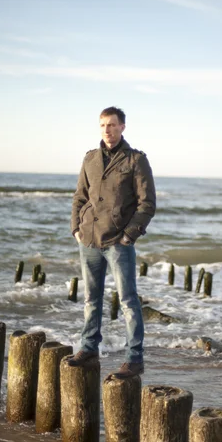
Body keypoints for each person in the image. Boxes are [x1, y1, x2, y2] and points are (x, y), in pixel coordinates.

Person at [68, 106, 156, 378]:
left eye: (113, 125)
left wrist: (129, 235)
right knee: (91, 299)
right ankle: (89, 347)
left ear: (122, 127)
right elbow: (80, 197)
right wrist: (76, 229)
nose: (108, 130)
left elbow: (147, 203)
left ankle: (134, 358)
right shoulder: (90, 159)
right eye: (103, 125)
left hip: (119, 242)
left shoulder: (135, 160)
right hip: (90, 240)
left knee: (128, 300)